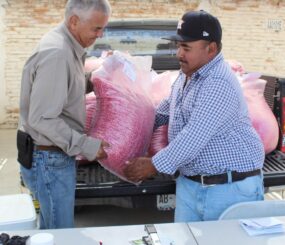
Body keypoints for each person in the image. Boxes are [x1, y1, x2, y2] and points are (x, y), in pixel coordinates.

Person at [124, 10, 265, 222]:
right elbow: (164, 111)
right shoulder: (186, 75)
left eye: (186, 47)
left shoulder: (218, 82)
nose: (179, 53)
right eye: (178, 46)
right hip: (191, 185)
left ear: (211, 49)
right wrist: (130, 128)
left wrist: (153, 164)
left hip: (228, 189)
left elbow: (193, 136)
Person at [18, 0, 111, 229]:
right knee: (60, 233)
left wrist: (102, 79)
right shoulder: (58, 54)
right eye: (96, 28)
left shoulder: (68, 47)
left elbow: (65, 90)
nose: (100, 35)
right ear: (74, 21)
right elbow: (42, 118)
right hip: (48, 159)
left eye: (103, 28)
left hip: (49, 156)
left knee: (51, 229)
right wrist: (87, 146)